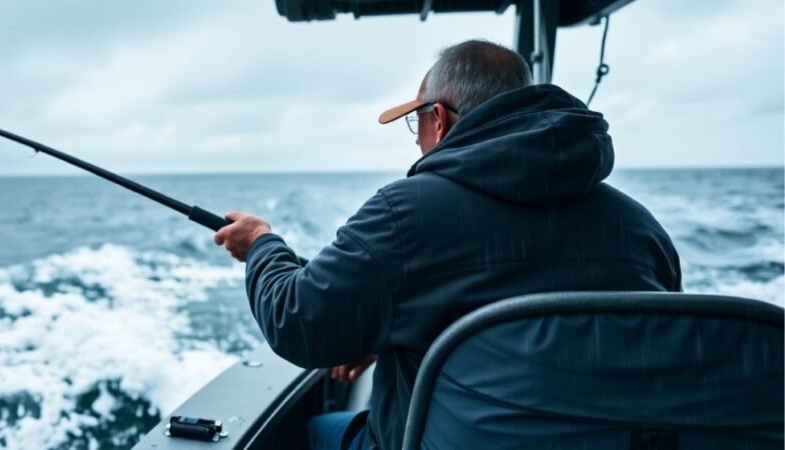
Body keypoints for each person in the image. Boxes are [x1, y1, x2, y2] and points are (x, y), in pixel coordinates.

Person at [213, 40, 681, 450]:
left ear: (438, 119)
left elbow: (299, 321)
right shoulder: (639, 229)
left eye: (416, 123)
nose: (417, 141)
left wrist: (261, 244)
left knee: (312, 430)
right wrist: (391, 335)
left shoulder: (406, 214)